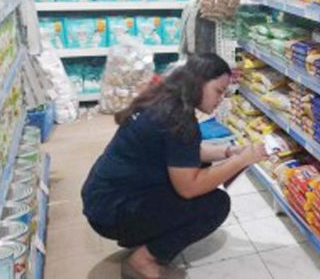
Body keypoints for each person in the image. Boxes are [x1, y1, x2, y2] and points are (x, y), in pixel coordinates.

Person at [81, 53, 268, 279]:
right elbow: (189, 188)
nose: (221, 99)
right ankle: (143, 260)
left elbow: (181, 153)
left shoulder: (164, 100)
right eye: (218, 91)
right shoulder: (178, 118)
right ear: (198, 82)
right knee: (215, 205)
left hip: (102, 198)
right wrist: (241, 160)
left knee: (204, 167)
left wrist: (227, 152)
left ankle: (144, 237)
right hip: (113, 213)